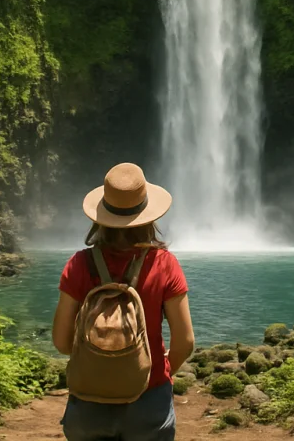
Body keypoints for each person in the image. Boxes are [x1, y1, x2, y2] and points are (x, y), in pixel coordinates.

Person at [52, 163, 195, 441]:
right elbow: (185, 342)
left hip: (89, 402)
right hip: (148, 399)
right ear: (148, 214)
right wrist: (156, 372)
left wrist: (101, 358)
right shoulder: (165, 265)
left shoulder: (79, 264)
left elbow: (61, 341)